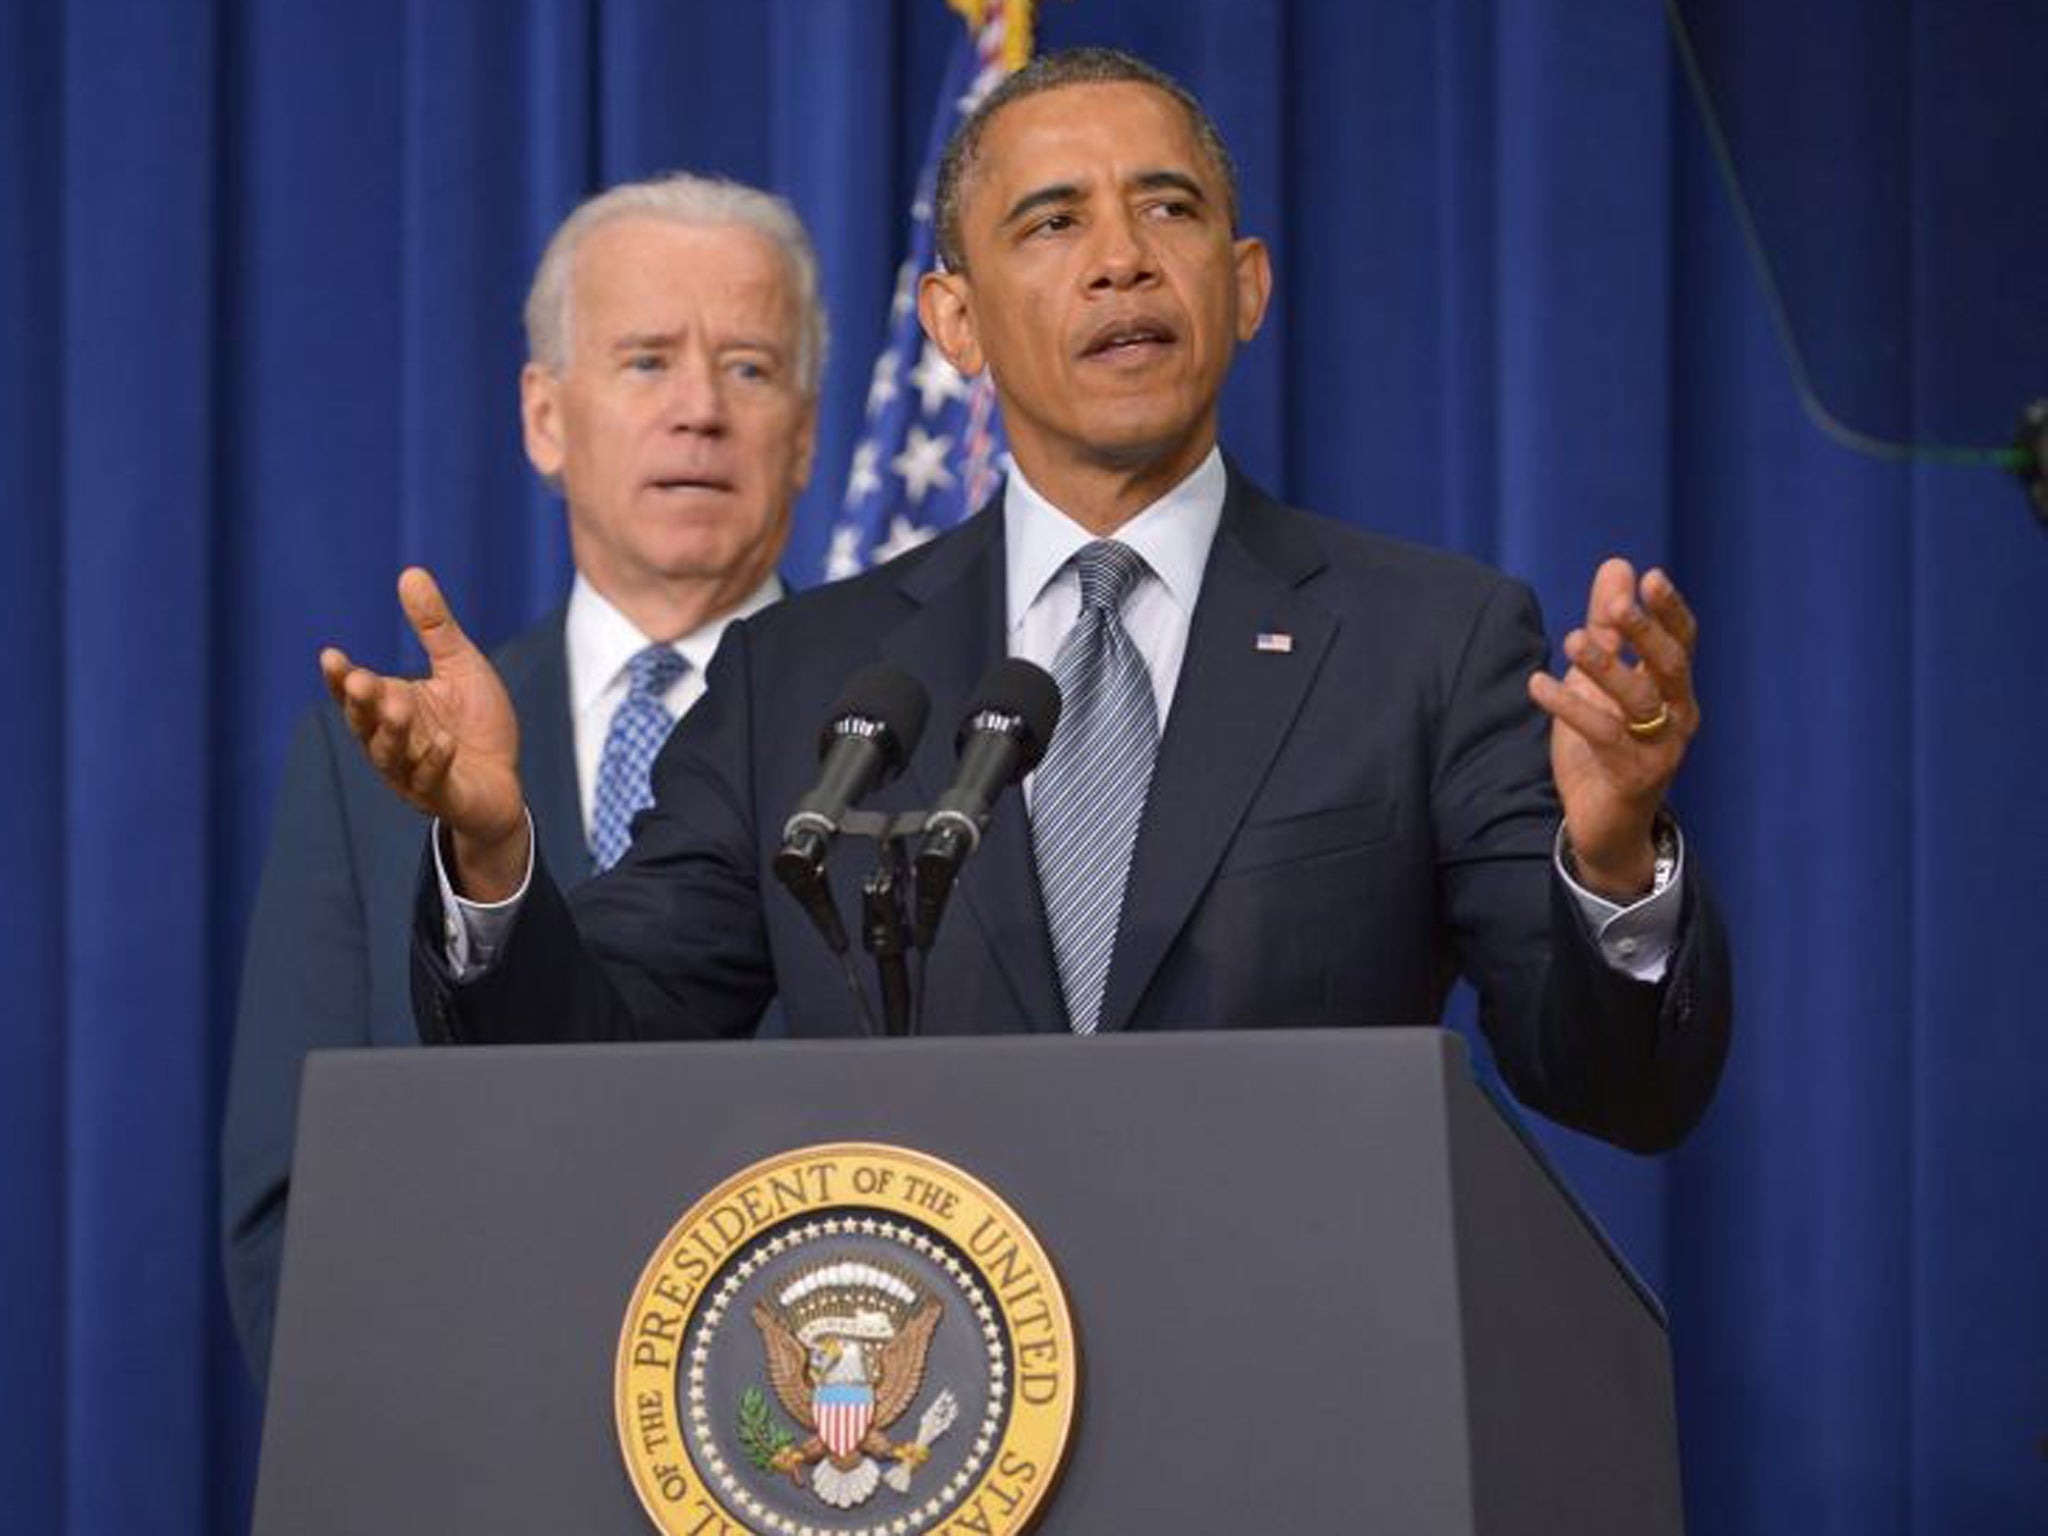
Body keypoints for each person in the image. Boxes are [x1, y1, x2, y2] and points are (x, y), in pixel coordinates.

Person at [325, 50, 1729, 1162]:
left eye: (1168, 209)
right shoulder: (796, 679)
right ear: (955, 325)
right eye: (1052, 223)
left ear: (1246, 288)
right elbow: (594, 1063)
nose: (1121, 258)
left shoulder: (1432, 643)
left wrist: (1611, 867)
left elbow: (1621, 1090)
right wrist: (497, 855)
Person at [220, 172, 826, 1383]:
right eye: (646, 360)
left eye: (749, 367)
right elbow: (290, 1213)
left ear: (805, 434)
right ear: (545, 419)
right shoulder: (367, 771)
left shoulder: (908, 741)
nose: (699, 409)